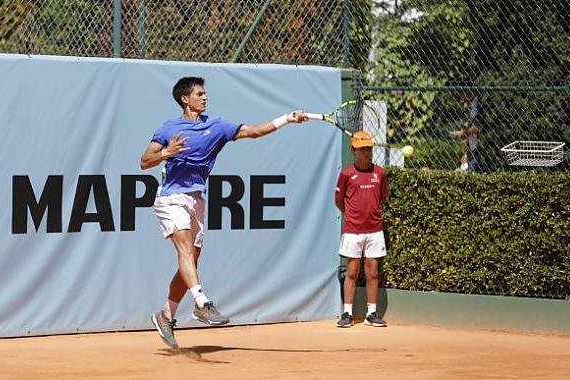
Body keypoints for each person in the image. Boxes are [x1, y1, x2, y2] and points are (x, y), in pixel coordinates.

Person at [140, 76, 307, 348]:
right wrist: (166, 153)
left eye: (205, 94)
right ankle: (202, 303)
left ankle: (166, 314)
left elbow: (254, 132)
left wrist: (287, 118)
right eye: (199, 94)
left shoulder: (216, 126)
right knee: (184, 250)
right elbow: (144, 161)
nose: (205, 98)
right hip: (171, 197)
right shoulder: (169, 127)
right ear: (185, 99)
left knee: (191, 259)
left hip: (197, 198)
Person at [334, 130, 389, 328]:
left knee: (373, 272)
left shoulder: (380, 173)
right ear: (353, 150)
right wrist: (352, 217)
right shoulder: (346, 174)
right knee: (352, 271)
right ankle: (347, 313)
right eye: (362, 149)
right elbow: (339, 201)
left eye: (368, 148)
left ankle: (371, 313)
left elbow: (382, 198)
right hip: (352, 231)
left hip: (375, 230)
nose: (366, 152)